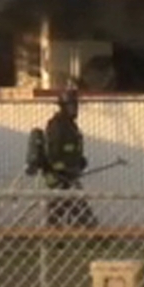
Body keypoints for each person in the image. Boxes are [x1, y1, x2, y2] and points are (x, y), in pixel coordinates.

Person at [38, 87, 98, 228]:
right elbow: (53, 153)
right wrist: (62, 171)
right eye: (71, 105)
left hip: (69, 174)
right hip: (59, 176)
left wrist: (79, 161)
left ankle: (90, 235)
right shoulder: (57, 125)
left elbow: (71, 149)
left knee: (70, 207)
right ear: (63, 107)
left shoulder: (71, 126)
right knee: (67, 208)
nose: (75, 109)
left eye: (76, 105)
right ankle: (92, 235)